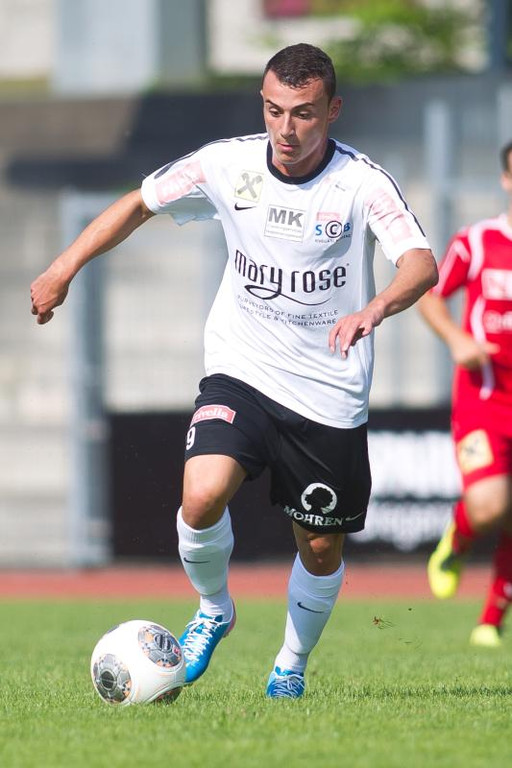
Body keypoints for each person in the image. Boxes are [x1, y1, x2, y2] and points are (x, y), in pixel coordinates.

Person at [30, 43, 437, 697]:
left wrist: (377, 307)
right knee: (200, 496)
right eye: (274, 110)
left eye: (303, 113)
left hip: (328, 391)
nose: (286, 128)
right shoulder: (226, 165)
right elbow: (138, 203)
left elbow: (420, 262)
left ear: (332, 110)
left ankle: (290, 665)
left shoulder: (362, 183)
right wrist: (62, 268)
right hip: (242, 368)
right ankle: (214, 609)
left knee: (321, 549)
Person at [419, 141, 512, 648]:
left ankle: (491, 620)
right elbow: (429, 296)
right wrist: (458, 340)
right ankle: (457, 537)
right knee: (490, 506)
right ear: (506, 179)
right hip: (484, 401)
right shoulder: (477, 241)